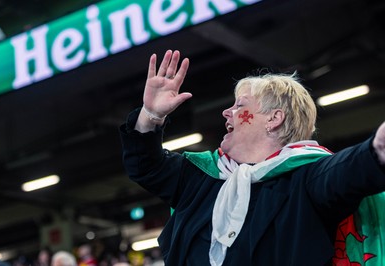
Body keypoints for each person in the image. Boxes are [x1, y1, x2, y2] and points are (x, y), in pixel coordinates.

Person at [119, 50, 385, 265]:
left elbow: (347, 171)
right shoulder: (201, 178)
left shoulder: (306, 178)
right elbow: (145, 166)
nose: (227, 112)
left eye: (240, 106)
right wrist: (151, 115)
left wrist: (376, 149)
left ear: (274, 118)